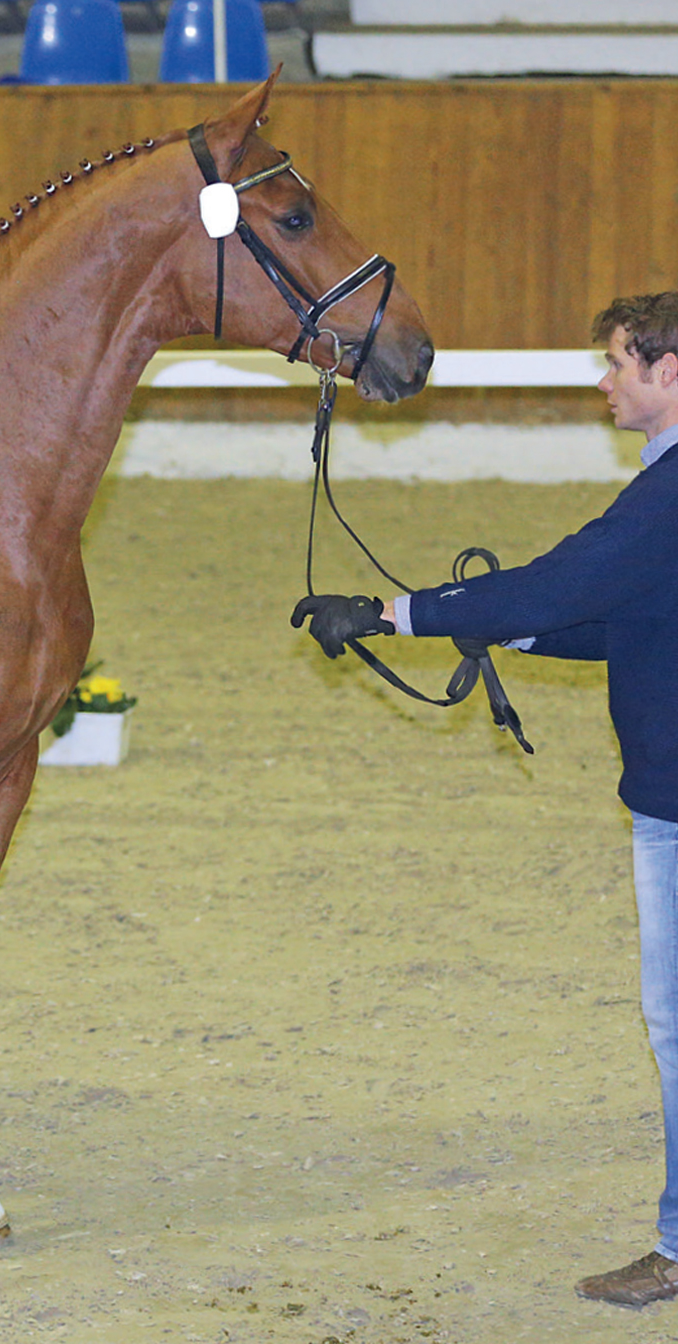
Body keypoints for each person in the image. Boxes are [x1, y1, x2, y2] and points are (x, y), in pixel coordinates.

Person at [293, 292, 678, 1308]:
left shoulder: (671, 492)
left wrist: (395, 613)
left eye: (617, 364)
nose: (605, 383)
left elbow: (570, 579)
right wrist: (505, 627)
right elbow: (630, 617)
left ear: (669, 372)